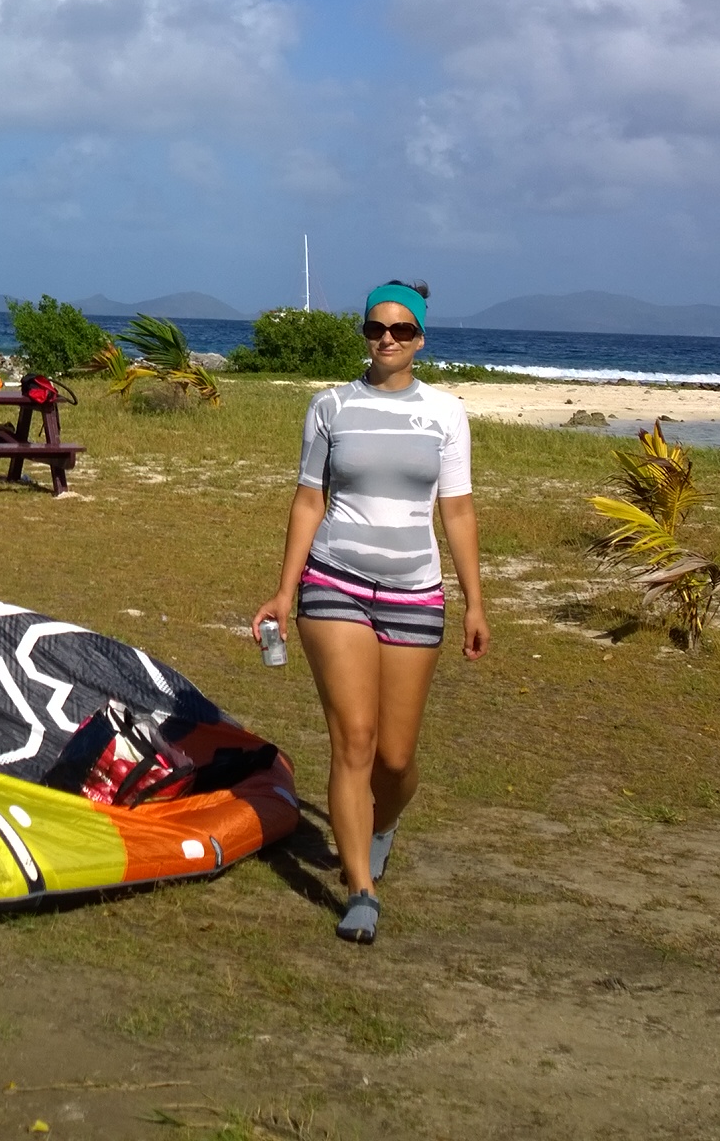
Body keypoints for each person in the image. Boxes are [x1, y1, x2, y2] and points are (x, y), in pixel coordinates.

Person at [248, 280, 488, 945]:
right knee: (353, 739)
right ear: (364, 333)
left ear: (422, 338)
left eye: (402, 330)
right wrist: (284, 590)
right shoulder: (330, 407)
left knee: (396, 757)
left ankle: (383, 824)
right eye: (376, 328)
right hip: (335, 586)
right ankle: (361, 889)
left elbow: (458, 510)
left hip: (416, 590)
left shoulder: (445, 413)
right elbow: (307, 500)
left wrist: (475, 602)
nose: (387, 339)